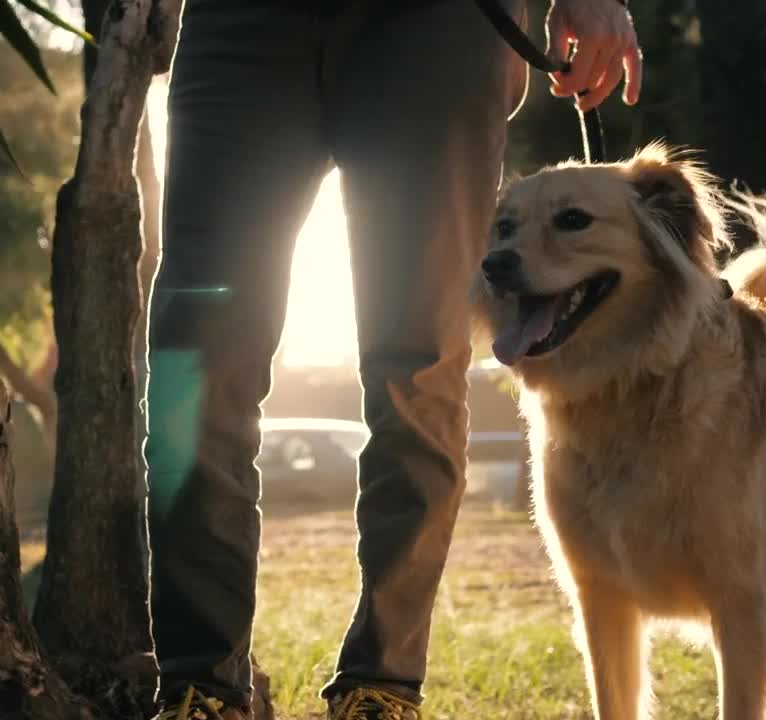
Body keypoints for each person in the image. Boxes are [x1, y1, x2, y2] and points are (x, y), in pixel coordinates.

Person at [143, 0, 642, 718]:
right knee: (198, 354)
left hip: (436, 23)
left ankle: (382, 684)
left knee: (418, 361)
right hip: (242, 22)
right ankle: (201, 686)